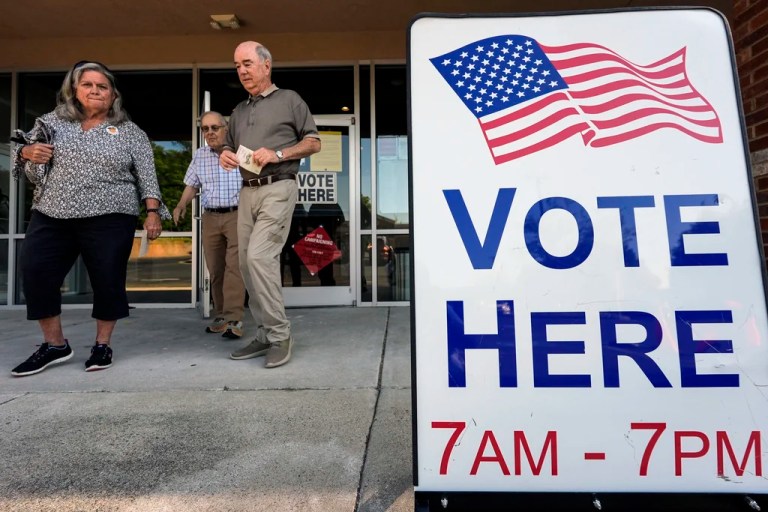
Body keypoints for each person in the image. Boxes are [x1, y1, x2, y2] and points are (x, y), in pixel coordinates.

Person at [10, 60, 170, 377]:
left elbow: (147, 176)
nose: (95, 91)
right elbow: (23, 151)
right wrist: (27, 154)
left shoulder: (130, 132)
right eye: (88, 85)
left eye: (103, 87)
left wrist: (152, 212)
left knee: (107, 280)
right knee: (35, 272)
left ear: (113, 95)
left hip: (111, 214)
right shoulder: (52, 122)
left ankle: (102, 345)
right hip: (53, 212)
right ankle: (55, 345)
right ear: (74, 90)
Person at [220, 41, 321, 368]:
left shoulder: (290, 100)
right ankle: (264, 332)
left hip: (278, 186)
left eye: (247, 63)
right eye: (237, 66)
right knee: (247, 266)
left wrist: (278, 154)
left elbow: (314, 142)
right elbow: (229, 146)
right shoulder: (238, 111)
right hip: (246, 190)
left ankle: (279, 335)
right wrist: (225, 154)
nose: (242, 71)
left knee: (259, 257)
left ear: (266, 65)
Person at [173, 111, 245, 339]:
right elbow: (191, 184)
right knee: (215, 269)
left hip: (236, 215)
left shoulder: (240, 152)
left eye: (215, 127)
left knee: (235, 268)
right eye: (205, 129)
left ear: (226, 128)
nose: (210, 132)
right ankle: (222, 315)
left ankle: (235, 319)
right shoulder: (200, 155)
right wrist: (181, 204)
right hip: (211, 217)